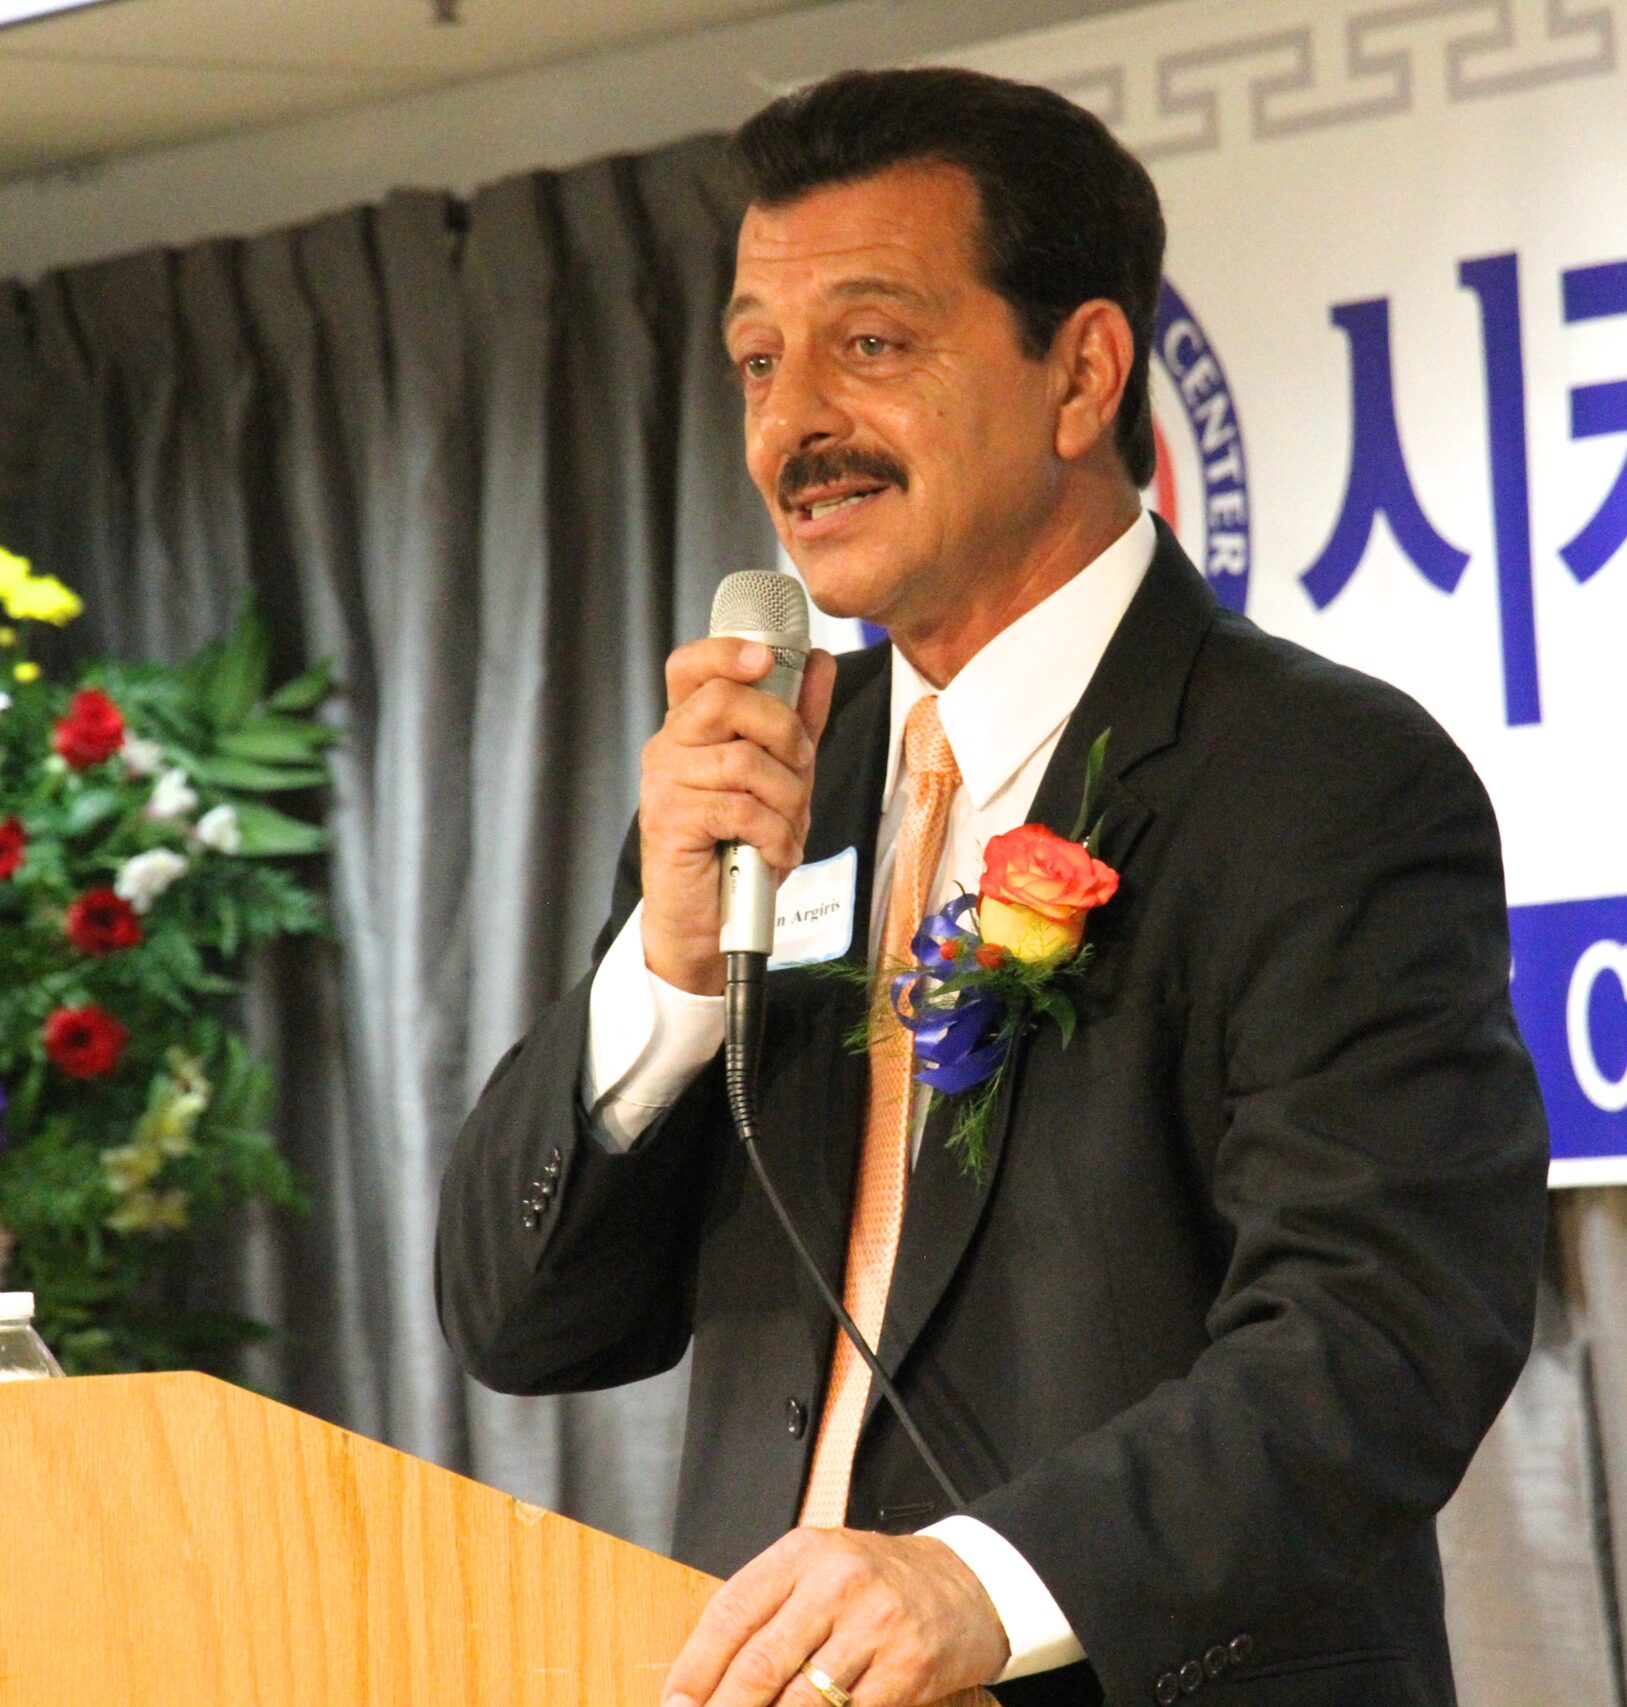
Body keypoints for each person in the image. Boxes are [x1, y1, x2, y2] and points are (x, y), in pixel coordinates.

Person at [436, 66, 1548, 1707]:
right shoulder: (769, 782)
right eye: (759, 360)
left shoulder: (1318, 781)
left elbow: (1386, 1333)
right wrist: (665, 972)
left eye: (871, 344)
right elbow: (521, 1325)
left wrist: (985, 1580)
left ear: (1081, 373)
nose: (792, 426)